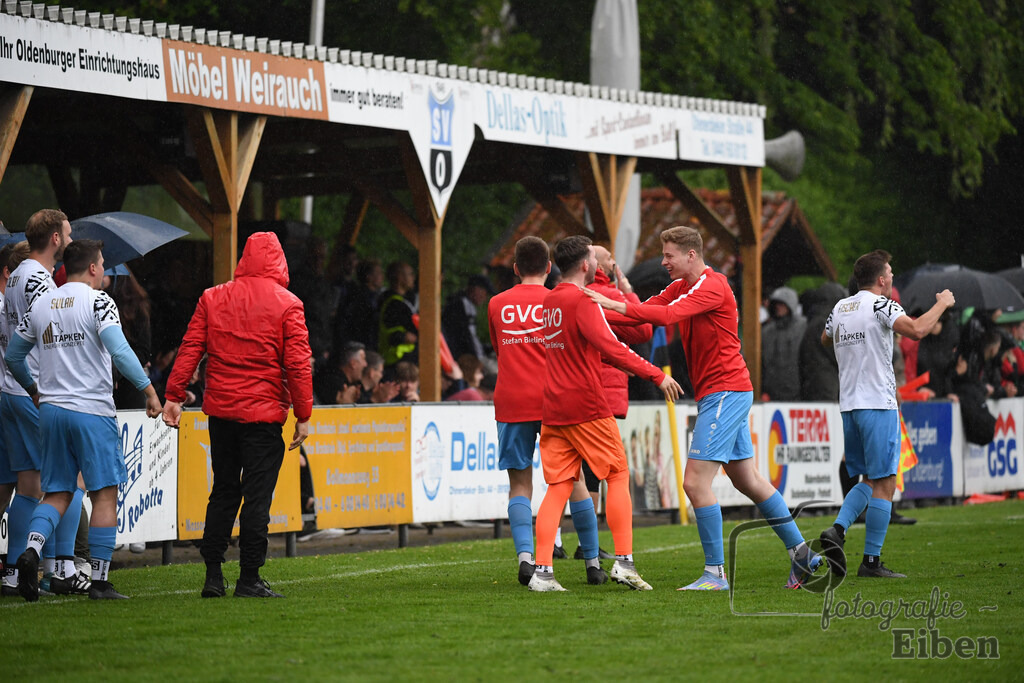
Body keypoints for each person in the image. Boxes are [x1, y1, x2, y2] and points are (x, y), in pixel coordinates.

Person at [586, 226, 823, 590]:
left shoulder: (712, 286)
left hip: (725, 392)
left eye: (669, 255)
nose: (663, 261)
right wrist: (588, 314)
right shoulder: (683, 285)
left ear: (691, 255)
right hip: (725, 391)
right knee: (750, 481)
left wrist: (604, 303)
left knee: (695, 483)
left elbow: (663, 318)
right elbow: (644, 312)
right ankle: (803, 555)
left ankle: (716, 574)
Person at [6, 240, 162, 601]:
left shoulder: (42, 303)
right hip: (91, 409)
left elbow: (14, 356)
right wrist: (149, 390)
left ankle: (31, 552)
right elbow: (120, 350)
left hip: (52, 411)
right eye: (103, 264)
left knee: (58, 491)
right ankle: (101, 582)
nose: (105, 270)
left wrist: (33, 389)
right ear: (93, 268)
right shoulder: (99, 302)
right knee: (105, 493)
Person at [162, 232, 313, 599]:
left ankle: (213, 574)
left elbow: (190, 348)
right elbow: (297, 364)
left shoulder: (213, 297)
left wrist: (174, 396)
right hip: (263, 417)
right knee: (257, 497)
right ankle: (249, 577)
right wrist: (303, 414)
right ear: (280, 261)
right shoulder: (288, 304)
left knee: (224, 491)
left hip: (222, 413)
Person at [530, 235, 682, 592]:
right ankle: (625, 562)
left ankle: (542, 572)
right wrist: (656, 374)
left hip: (553, 406)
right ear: (586, 265)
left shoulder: (550, 301)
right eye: (595, 258)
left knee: (558, 486)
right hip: (586, 403)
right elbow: (612, 347)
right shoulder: (582, 300)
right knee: (617, 474)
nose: (600, 263)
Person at [819, 249, 955, 579]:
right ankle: (871, 562)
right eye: (890, 272)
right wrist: (942, 304)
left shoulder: (840, 307)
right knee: (886, 482)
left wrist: (853, 354)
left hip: (849, 404)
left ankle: (837, 532)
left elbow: (824, 339)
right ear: (881, 280)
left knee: (869, 479)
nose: (892, 277)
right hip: (877, 403)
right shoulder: (882, 304)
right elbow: (918, 330)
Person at [487, 236, 605, 587]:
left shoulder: (497, 304)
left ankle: (526, 557)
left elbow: (498, 350)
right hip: (554, 401)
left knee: (519, 484)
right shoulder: (559, 301)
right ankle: (593, 562)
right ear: (550, 267)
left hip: (511, 400)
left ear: (515, 268)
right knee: (575, 480)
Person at [0, 210, 91, 596]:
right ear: (55, 238)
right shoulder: (38, 280)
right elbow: (51, 332)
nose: (71, 241)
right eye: (68, 234)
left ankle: (13, 572)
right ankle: (61, 568)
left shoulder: (18, 273)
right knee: (65, 482)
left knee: (27, 485)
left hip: (11, 388)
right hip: (34, 390)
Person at [761, 286, 806, 401]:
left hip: (798, 392)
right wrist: (763, 390)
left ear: (790, 305)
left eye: (782, 304)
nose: (778, 307)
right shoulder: (766, 332)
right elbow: (762, 364)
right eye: (776, 304)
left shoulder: (803, 327)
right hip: (772, 394)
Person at [442, 274, 493, 361]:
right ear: (476, 289)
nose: (485, 297)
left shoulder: (466, 305)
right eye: (485, 292)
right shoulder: (460, 305)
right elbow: (464, 338)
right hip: (463, 359)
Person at [378, 261, 418, 371]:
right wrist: (404, 336)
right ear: (400, 277)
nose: (413, 277)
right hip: (397, 361)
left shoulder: (402, 301)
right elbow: (393, 334)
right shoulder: (393, 304)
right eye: (410, 274)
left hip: (403, 360)